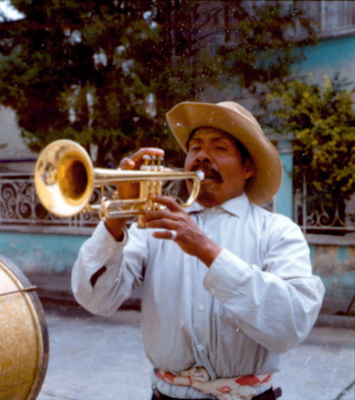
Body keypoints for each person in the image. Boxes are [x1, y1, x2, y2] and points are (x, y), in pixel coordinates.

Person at [71, 101, 325, 400]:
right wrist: (116, 216)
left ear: (248, 167)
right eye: (195, 147)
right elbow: (96, 300)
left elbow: (289, 325)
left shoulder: (278, 232)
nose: (202, 156)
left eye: (219, 148)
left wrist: (207, 250)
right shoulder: (153, 224)